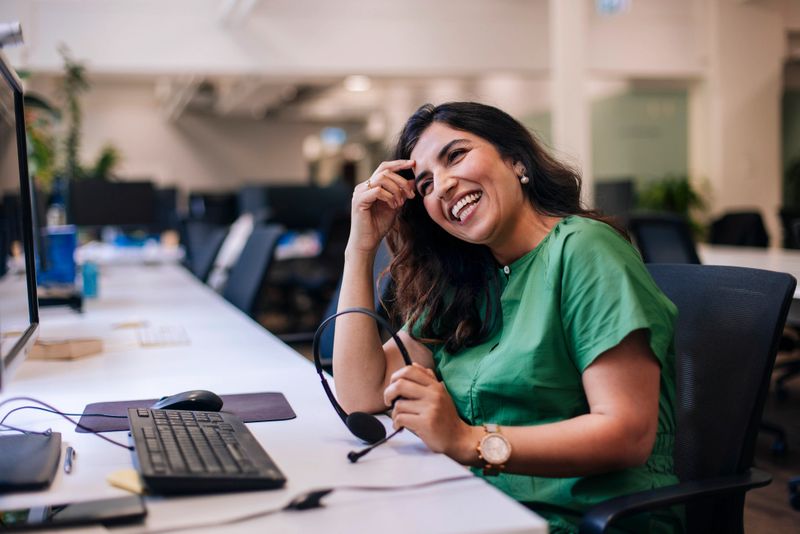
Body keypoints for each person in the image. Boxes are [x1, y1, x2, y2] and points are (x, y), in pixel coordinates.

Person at [332, 102, 682, 533]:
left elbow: (627, 434)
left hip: (583, 520)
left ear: (516, 160)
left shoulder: (585, 251)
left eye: (455, 155)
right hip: (481, 506)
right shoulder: (466, 281)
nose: (441, 185)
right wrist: (360, 248)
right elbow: (360, 395)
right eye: (424, 184)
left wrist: (467, 440)